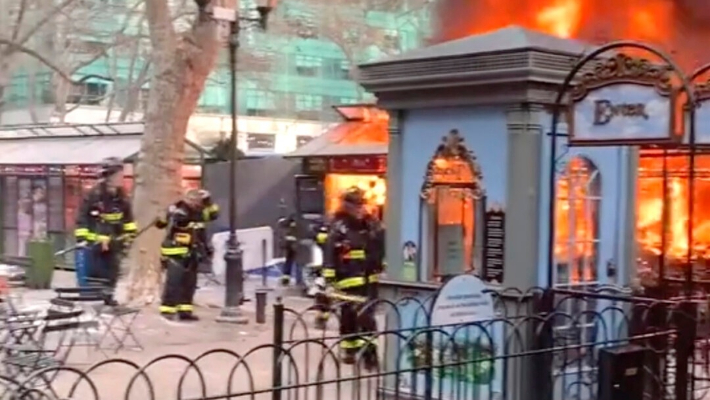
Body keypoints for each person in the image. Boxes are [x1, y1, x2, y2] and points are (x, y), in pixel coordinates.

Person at [324, 186, 385, 370]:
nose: (360, 209)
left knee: (368, 317)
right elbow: (330, 253)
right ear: (347, 206)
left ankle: (369, 354)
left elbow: (380, 246)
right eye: (356, 205)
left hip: (369, 280)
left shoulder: (371, 224)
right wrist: (330, 279)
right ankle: (350, 350)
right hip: (347, 279)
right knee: (349, 317)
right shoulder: (339, 226)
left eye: (361, 205)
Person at [74, 157, 137, 305]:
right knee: (97, 274)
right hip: (95, 245)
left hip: (115, 243)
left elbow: (128, 219)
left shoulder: (122, 196)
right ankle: (95, 299)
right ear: (108, 176)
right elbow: (83, 220)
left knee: (112, 273)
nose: (121, 178)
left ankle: (108, 298)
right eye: (118, 175)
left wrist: (129, 236)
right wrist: (89, 239)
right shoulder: (93, 196)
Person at [156, 189, 219, 321]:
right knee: (174, 282)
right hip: (176, 251)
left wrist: (208, 200)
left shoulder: (201, 211)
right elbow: (164, 223)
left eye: (198, 201)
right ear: (187, 199)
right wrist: (169, 212)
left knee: (189, 283)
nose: (195, 203)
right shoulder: (178, 210)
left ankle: (185, 311)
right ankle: (168, 309)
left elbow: (214, 215)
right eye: (193, 200)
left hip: (193, 252)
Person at [312, 221, 333, 330]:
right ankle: (322, 319)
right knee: (327, 297)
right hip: (329, 272)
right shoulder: (332, 239)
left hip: (320, 272)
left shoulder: (317, 241)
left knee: (320, 296)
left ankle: (320, 319)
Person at [277, 214, 299, 286]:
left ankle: (286, 277)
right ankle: (299, 280)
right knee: (299, 262)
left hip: (290, 244)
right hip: (296, 244)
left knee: (289, 261)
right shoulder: (301, 221)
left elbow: (282, 223)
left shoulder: (292, 218)